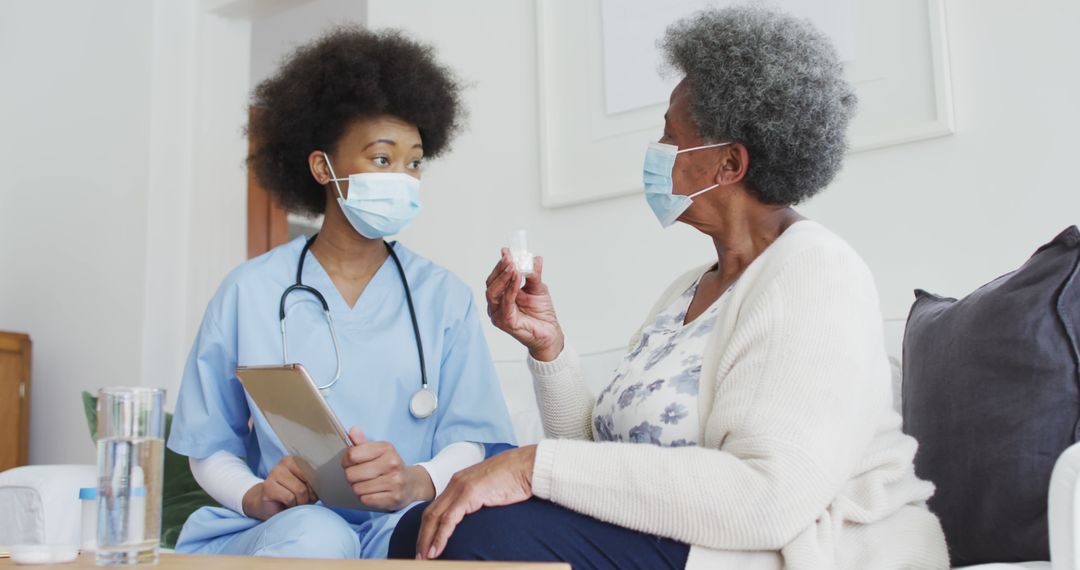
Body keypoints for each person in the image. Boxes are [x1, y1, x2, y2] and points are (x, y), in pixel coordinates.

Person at [388, 6, 948, 569]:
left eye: (669, 135)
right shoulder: (691, 289)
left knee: (474, 534)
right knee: (422, 526)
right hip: (680, 539)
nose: (656, 150)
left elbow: (767, 498)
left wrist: (531, 465)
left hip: (790, 550)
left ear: (729, 163)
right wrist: (548, 347)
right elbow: (602, 467)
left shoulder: (818, 273)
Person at [166, 27, 515, 559]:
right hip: (292, 528)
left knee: (472, 538)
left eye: (414, 162)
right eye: (381, 159)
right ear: (321, 167)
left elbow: (470, 436)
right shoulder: (250, 291)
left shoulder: (442, 296)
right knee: (318, 535)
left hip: (401, 521)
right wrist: (256, 493)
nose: (402, 176)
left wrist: (415, 481)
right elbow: (208, 444)